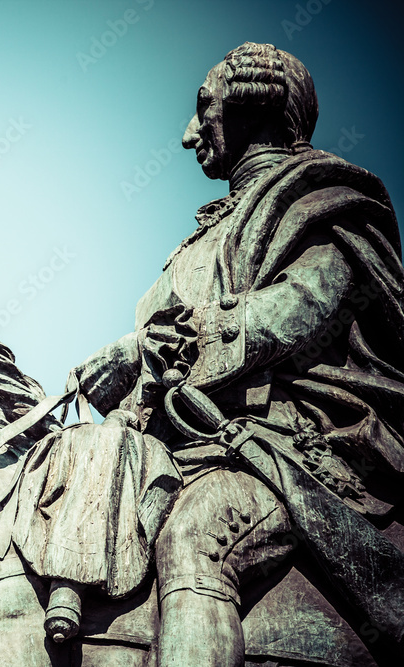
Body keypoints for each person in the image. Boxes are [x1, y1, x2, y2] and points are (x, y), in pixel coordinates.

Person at [73, 42, 404, 665]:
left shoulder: (329, 204)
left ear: (250, 102)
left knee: (196, 539)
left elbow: (295, 314)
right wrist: (133, 358)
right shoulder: (202, 236)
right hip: (183, 440)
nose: (187, 134)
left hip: (290, 443)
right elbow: (160, 346)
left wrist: (156, 349)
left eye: (203, 109)